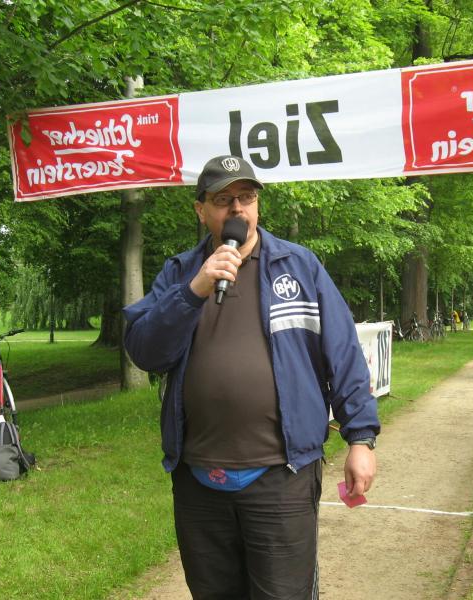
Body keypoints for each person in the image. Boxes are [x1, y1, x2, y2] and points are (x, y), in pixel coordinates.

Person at [123, 155, 379, 599]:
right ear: (201, 210)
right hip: (198, 480)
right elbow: (146, 351)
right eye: (223, 199)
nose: (237, 208)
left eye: (246, 197)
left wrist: (361, 438)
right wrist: (193, 292)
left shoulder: (299, 266)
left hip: (281, 476)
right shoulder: (179, 273)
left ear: (258, 205)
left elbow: (343, 354)